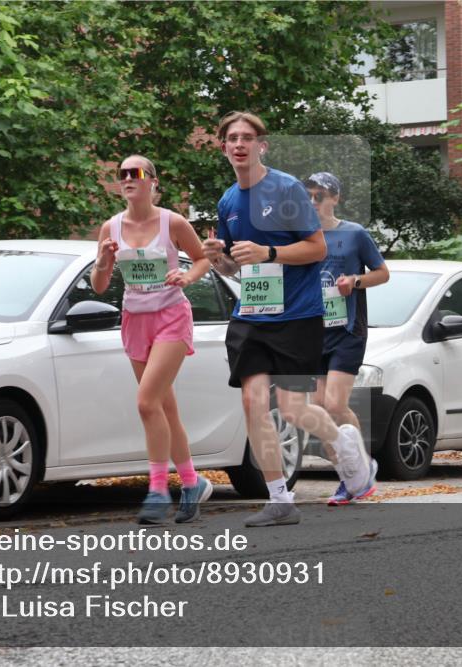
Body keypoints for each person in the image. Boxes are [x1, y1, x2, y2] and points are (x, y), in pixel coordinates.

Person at [201, 111, 377, 527]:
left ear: (262, 145)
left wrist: (270, 253)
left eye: (247, 137)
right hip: (252, 314)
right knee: (252, 401)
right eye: (232, 138)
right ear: (223, 147)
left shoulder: (287, 189)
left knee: (294, 409)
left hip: (298, 314)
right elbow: (234, 267)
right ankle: (279, 498)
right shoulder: (228, 200)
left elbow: (316, 249)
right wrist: (219, 261)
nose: (239, 144)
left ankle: (345, 445)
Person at [92, 155, 213, 523]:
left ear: (153, 182)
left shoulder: (172, 222)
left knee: (147, 403)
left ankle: (158, 489)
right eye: (123, 174)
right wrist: (101, 261)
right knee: (165, 407)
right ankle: (191, 481)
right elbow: (99, 286)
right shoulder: (110, 228)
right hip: (135, 320)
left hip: (171, 318)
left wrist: (187, 277)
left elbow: (202, 259)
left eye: (137, 172)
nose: (129, 178)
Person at [301, 172, 390, 504]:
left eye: (320, 195)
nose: (313, 202)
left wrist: (354, 281)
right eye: (308, 195)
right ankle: (349, 473)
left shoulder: (354, 234)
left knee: (335, 405)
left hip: (347, 330)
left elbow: (382, 273)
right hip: (312, 331)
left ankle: (360, 466)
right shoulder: (301, 238)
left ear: (335, 198)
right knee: (319, 410)